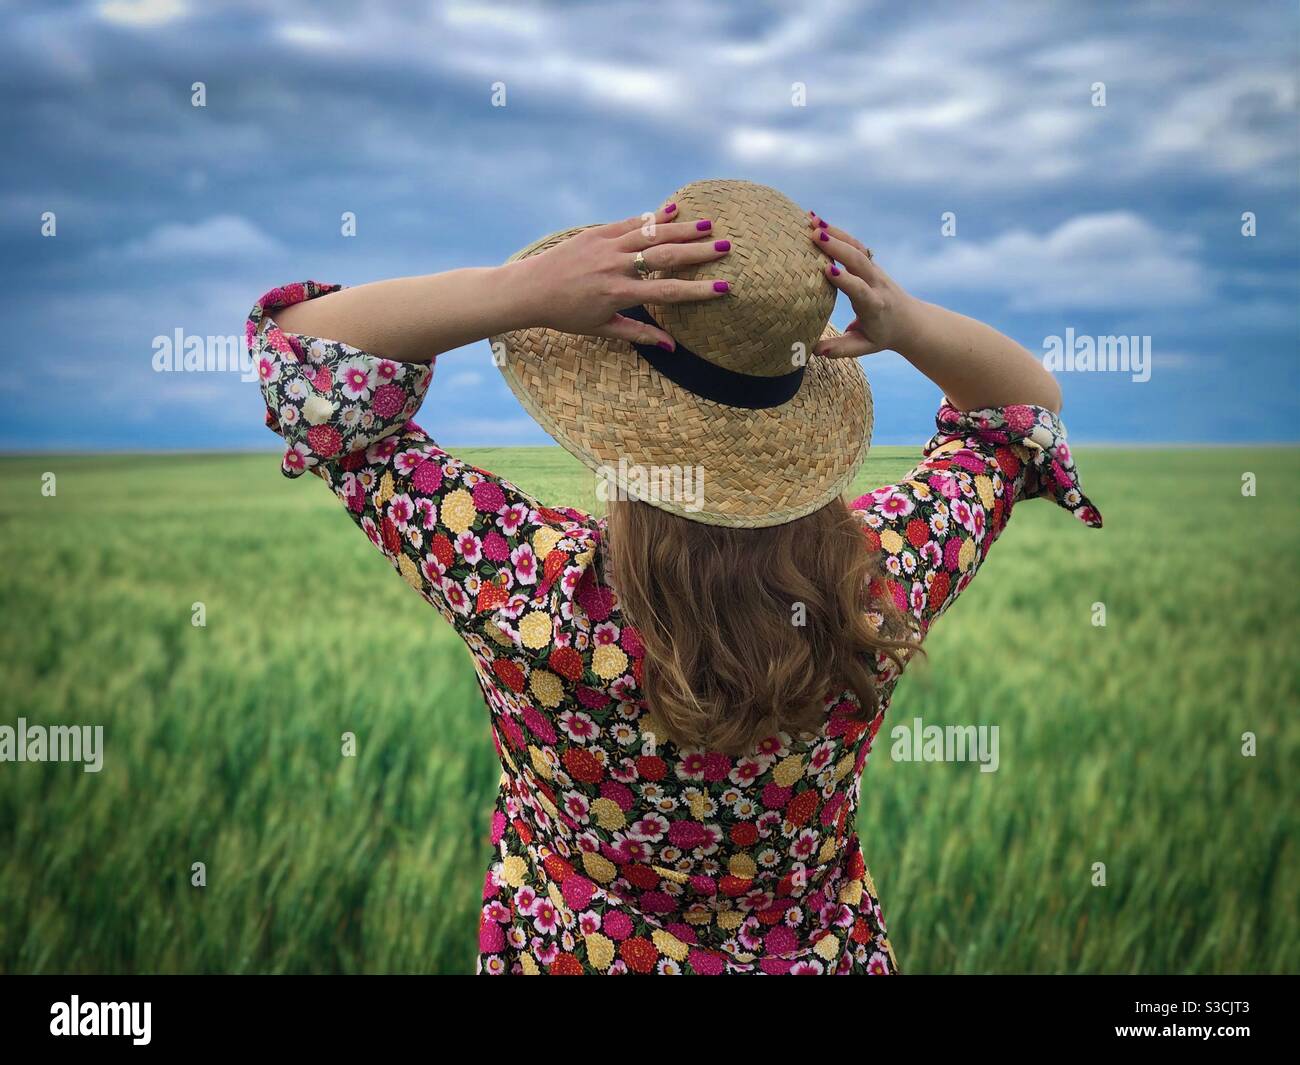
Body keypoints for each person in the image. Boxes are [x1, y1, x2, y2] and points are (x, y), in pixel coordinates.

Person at [247, 179, 1101, 975]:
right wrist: (908, 322)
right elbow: (1015, 422)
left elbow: (309, 367)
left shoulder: (522, 585)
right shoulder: (877, 584)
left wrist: (521, 291)